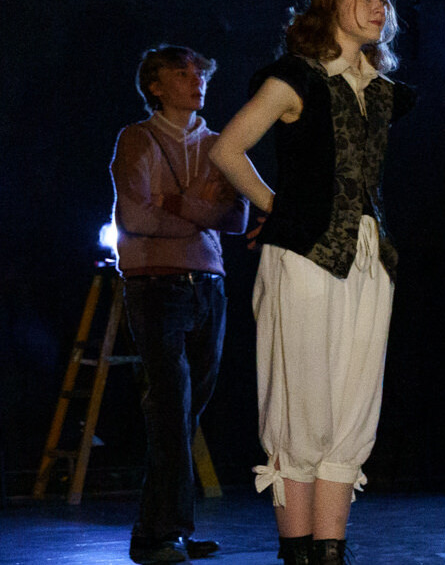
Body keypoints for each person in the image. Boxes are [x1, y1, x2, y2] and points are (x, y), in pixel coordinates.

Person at [209, 0, 416, 565]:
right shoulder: (296, 78)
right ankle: (297, 552)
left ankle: (331, 551)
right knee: (300, 405)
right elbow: (227, 149)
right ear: (330, 3)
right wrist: (278, 207)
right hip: (303, 256)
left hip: (369, 256)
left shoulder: (380, 91)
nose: (380, 7)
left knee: (351, 410)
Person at [114, 45, 248, 563]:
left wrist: (177, 202)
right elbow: (136, 218)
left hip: (207, 284)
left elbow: (235, 219)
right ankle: (163, 532)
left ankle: (159, 530)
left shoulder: (220, 144)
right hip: (155, 283)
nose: (196, 81)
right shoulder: (138, 138)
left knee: (185, 411)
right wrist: (201, 211)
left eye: (201, 73)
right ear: (155, 85)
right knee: (171, 407)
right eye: (182, 73)